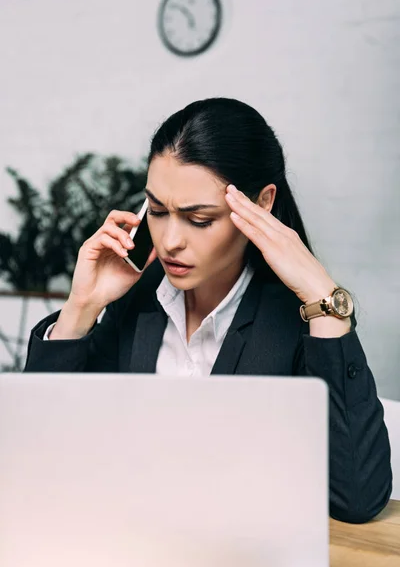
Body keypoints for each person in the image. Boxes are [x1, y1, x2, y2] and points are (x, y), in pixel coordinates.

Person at [25, 97, 392, 524]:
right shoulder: (139, 302)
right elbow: (40, 449)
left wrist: (326, 303)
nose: (170, 241)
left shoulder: (299, 323)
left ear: (263, 201)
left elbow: (358, 500)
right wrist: (82, 307)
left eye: (199, 219)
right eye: (158, 212)